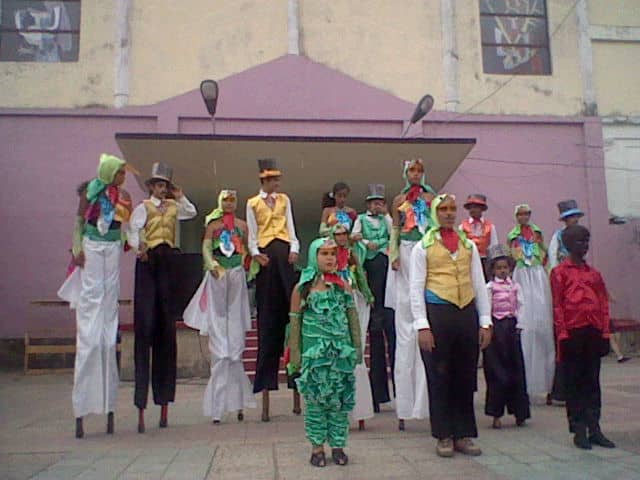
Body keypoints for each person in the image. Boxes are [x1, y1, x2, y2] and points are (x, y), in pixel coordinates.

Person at [410, 194, 492, 457]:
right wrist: (422, 325)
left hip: (466, 312)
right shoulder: (422, 247)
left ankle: (464, 433)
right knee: (439, 375)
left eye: (452, 209)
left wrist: (485, 321)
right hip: (438, 313)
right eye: (443, 209)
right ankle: (444, 434)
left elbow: (479, 283)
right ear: (435, 212)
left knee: (466, 376)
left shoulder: (467, 245)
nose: (448, 213)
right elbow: (415, 289)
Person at [128, 162, 197, 432]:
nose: (162, 189)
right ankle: (141, 405)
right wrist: (139, 248)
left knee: (166, 332)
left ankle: (165, 401)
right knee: (145, 329)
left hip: (168, 262)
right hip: (149, 263)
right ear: (150, 186)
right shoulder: (142, 207)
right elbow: (132, 230)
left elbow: (191, 212)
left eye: (165, 185)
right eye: (158, 184)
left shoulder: (173, 207)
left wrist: (179, 195)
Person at [69, 154, 132, 438]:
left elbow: (127, 225)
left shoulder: (123, 196)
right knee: (92, 316)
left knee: (108, 320)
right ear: (109, 172)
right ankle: (82, 407)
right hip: (92, 246)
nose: (123, 177)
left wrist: (132, 242)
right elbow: (79, 222)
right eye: (119, 173)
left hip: (112, 249)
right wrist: (76, 249)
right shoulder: (90, 191)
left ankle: (108, 405)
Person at [183, 190, 256, 424]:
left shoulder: (242, 226)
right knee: (218, 316)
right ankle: (222, 349)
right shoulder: (213, 225)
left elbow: (247, 248)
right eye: (225, 200)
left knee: (235, 316)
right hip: (218, 273)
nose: (229, 203)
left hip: (236, 272)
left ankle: (233, 350)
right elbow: (206, 247)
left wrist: (250, 265)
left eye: (232, 200)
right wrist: (211, 263)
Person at [288, 237, 362, 467]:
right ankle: (317, 447)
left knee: (339, 400)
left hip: (340, 355)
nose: (330, 258)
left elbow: (353, 321)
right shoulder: (303, 289)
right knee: (316, 402)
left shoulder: (344, 286)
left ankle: (338, 446)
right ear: (313, 256)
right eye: (324, 253)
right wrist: (296, 355)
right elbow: (295, 324)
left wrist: (357, 348)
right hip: (314, 357)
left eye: (333, 253)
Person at [550, 225, 616, 450]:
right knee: (574, 381)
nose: (584, 246)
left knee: (592, 381)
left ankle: (595, 428)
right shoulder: (559, 273)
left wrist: (605, 332)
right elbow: (557, 305)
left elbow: (604, 303)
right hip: (572, 332)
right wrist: (562, 334)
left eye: (586, 241)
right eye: (579, 241)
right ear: (568, 244)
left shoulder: (594, 274)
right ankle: (578, 429)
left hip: (593, 330)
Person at [246, 158, 300, 421]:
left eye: (277, 179)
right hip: (267, 256)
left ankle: (296, 380)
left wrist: (295, 248)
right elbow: (252, 233)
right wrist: (255, 253)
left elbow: (290, 225)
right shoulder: (252, 203)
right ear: (263, 180)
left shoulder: (284, 200)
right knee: (268, 321)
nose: (276, 183)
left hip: (284, 252)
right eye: (272, 179)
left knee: (292, 314)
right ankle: (266, 381)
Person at [388, 158, 434, 430]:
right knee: (404, 323)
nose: (416, 174)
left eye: (419, 170)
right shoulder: (398, 200)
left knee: (425, 314)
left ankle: (429, 401)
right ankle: (405, 404)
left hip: (426, 251)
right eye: (411, 171)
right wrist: (393, 254)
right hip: (405, 253)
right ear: (405, 173)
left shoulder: (431, 197)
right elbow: (395, 229)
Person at [351, 184, 396, 413]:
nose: (376, 205)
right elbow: (353, 237)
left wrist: (387, 214)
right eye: (373, 202)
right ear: (367, 204)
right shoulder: (360, 219)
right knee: (375, 339)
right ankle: (376, 395)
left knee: (393, 338)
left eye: (380, 201)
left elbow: (393, 233)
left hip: (386, 267)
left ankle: (397, 393)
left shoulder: (386, 219)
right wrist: (363, 242)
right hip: (371, 269)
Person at [507, 204, 555, 404]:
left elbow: (544, 255)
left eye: (526, 213)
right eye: (520, 214)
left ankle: (547, 382)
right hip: (521, 274)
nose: (523, 217)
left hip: (536, 273)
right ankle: (524, 382)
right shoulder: (512, 235)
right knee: (525, 322)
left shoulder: (537, 232)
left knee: (542, 324)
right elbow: (512, 257)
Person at [331, 224, 374, 430]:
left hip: (353, 300)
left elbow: (361, 279)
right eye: (337, 234)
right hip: (335, 302)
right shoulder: (328, 256)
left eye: (344, 234)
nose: (341, 237)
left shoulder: (351, 256)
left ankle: (360, 411)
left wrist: (368, 294)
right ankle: (339, 413)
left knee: (357, 354)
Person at [483, 244, 530, 429]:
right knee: (497, 372)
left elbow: (521, 305)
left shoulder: (515, 286)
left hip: (511, 328)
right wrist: (487, 325)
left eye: (505, 268)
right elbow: (486, 308)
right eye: (499, 268)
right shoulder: (490, 288)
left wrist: (520, 324)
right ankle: (496, 413)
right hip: (496, 330)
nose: (502, 271)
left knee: (516, 369)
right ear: (493, 270)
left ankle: (520, 412)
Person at [459, 194, 499, 277]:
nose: (473, 210)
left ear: (482, 209)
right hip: (469, 260)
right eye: (471, 207)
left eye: (476, 207)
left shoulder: (490, 226)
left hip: (485, 260)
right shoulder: (462, 226)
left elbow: (494, 246)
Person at [548, 199, 584, 271]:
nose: (575, 219)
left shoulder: (581, 234)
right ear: (565, 219)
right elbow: (553, 255)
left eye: (576, 217)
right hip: (564, 272)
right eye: (572, 217)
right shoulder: (558, 236)